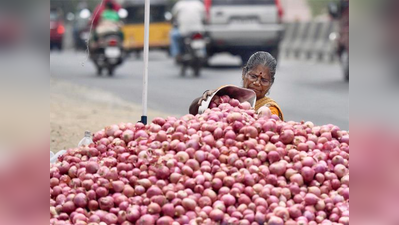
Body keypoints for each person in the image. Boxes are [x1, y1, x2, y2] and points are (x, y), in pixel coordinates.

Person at [189, 51, 284, 120]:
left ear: (271, 83)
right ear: (244, 73)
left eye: (264, 80)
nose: (257, 83)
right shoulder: (228, 94)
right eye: (253, 76)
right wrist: (206, 98)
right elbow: (193, 111)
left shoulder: (270, 109)